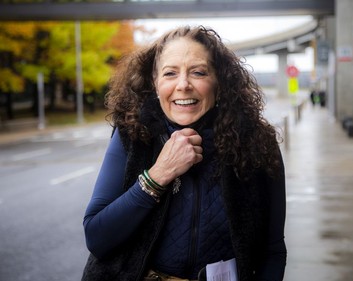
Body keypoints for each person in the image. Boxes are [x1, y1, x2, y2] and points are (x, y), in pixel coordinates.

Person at [81, 25, 287, 281]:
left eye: (198, 72)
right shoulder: (132, 135)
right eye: (170, 73)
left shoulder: (258, 143)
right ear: (155, 83)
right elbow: (97, 238)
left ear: (219, 82)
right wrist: (158, 175)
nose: (183, 85)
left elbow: (273, 249)